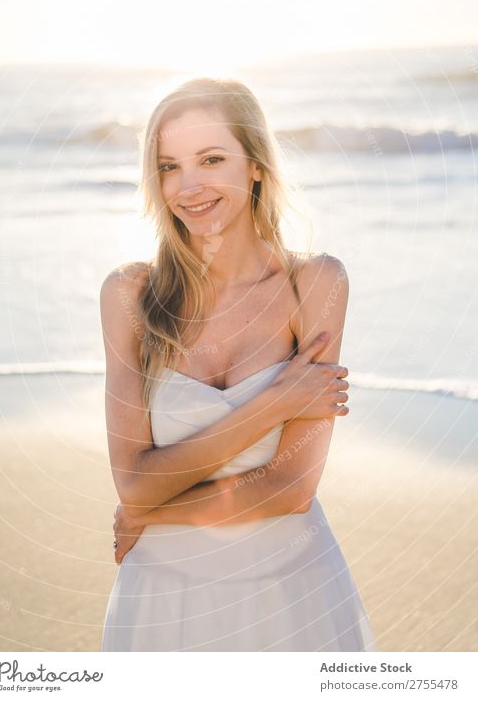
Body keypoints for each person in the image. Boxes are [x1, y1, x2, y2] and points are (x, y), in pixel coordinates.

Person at [100, 77, 376, 651]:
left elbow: (290, 488)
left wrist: (157, 510)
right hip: (160, 596)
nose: (189, 186)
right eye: (169, 166)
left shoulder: (315, 283)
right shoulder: (130, 295)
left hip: (292, 592)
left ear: (255, 165)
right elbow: (131, 481)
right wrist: (274, 403)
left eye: (211, 159)